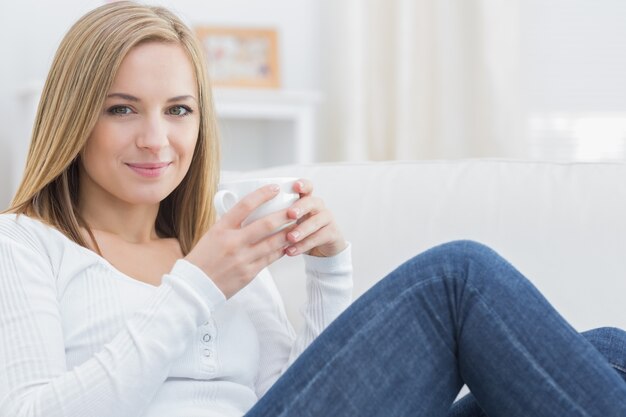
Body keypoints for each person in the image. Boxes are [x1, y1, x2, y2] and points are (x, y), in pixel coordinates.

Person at [1, 2, 625, 416]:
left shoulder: (224, 248)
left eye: (178, 110)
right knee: (458, 279)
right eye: (122, 108)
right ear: (74, 118)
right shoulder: (25, 245)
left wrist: (327, 275)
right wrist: (196, 286)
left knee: (606, 350)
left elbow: (298, 397)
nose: (156, 139)